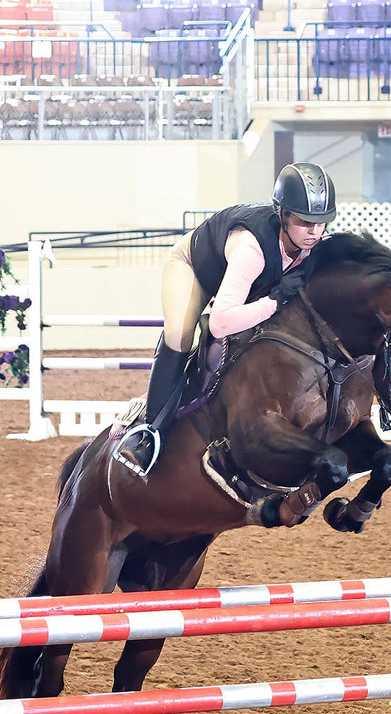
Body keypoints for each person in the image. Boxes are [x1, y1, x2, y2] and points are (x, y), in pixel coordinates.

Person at [113, 161, 338, 477]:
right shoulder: (252, 248)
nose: (314, 231)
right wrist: (273, 302)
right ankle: (150, 433)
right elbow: (219, 323)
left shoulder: (316, 245)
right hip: (194, 269)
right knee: (181, 335)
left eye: (321, 222)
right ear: (283, 214)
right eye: (304, 221)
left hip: (244, 283)